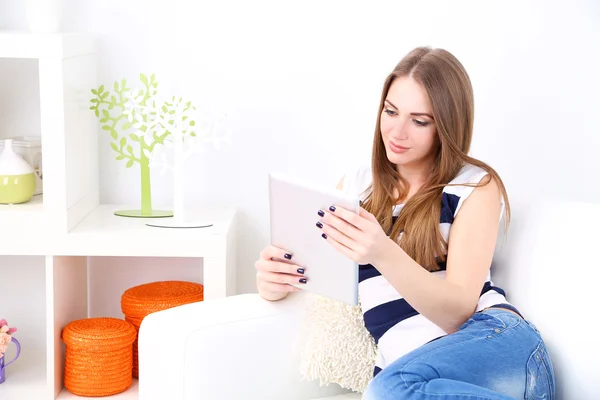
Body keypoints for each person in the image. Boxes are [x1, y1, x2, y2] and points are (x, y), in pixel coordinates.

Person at [254, 46, 555, 399]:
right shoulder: (355, 187)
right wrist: (273, 283)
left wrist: (382, 251)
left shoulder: (474, 186)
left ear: (447, 126)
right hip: (414, 377)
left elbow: (458, 311)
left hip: (494, 343)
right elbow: (317, 273)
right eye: (390, 111)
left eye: (419, 120)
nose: (397, 132)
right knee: (390, 388)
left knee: (387, 389)